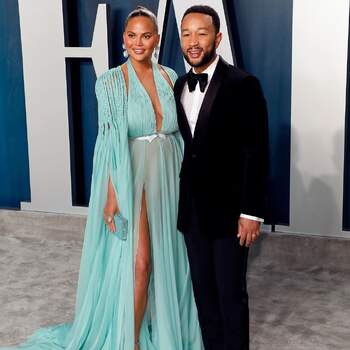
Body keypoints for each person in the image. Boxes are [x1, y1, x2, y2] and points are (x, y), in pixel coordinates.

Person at [1, 6, 203, 350]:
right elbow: (109, 141)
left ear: (156, 39)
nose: (138, 42)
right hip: (132, 174)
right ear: (124, 40)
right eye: (131, 35)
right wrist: (113, 193)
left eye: (145, 35)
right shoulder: (109, 82)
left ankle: (165, 326)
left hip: (171, 176)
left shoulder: (171, 76)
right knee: (140, 263)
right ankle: (132, 342)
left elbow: (182, 133)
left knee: (171, 260)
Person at [174, 5, 269, 350]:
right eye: (187, 34)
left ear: (218, 37)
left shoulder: (243, 84)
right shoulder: (180, 85)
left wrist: (250, 212)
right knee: (204, 294)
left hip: (231, 214)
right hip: (193, 212)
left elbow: (255, 152)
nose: (193, 41)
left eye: (201, 33)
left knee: (231, 295)